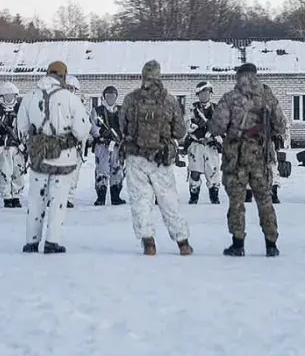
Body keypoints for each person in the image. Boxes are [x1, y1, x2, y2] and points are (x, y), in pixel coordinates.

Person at [209, 62, 286, 257]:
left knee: (236, 202)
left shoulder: (230, 98)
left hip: (236, 158)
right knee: (265, 200)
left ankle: (238, 243)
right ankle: (271, 244)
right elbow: (281, 126)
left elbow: (216, 127)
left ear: (238, 76)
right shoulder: (268, 97)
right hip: (261, 156)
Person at [119, 60, 193, 256]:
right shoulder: (169, 100)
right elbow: (180, 131)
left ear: (142, 76)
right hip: (161, 158)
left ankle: (148, 242)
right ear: (159, 76)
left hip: (136, 156)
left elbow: (122, 126)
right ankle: (182, 243)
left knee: (140, 200)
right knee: (169, 200)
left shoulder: (130, 99)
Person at [17, 61, 91, 253]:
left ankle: (31, 241)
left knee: (35, 198)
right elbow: (82, 130)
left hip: (38, 156)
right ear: (64, 76)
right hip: (63, 157)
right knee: (58, 199)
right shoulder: (70, 98)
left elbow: (21, 128)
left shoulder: (30, 96)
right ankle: (52, 241)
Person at [0, 82, 25, 208]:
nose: (9, 98)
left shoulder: (21, 109)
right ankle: (7, 197)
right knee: (5, 171)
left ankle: (16, 196)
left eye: (11, 96)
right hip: (3, 147)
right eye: (6, 96)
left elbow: (27, 127)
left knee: (18, 172)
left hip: (18, 146)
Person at [185, 81, 222, 204]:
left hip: (211, 145)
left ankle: (214, 196)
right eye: (202, 93)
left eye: (206, 93)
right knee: (195, 171)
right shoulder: (192, 110)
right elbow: (188, 127)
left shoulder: (216, 109)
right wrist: (198, 134)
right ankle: (194, 197)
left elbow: (221, 126)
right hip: (197, 144)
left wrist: (212, 136)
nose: (204, 95)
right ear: (198, 94)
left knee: (213, 171)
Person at [92, 85, 127, 206]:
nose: (110, 98)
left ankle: (116, 196)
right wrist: (102, 133)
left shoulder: (122, 111)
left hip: (117, 146)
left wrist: (122, 136)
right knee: (102, 170)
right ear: (104, 97)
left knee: (117, 170)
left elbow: (127, 126)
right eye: (108, 96)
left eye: (113, 96)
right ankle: (101, 197)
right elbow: (93, 127)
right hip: (102, 145)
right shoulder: (97, 111)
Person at [65, 74, 92, 208]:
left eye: (71, 88)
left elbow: (86, 127)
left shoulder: (81, 108)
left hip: (74, 146)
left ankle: (69, 198)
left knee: (73, 174)